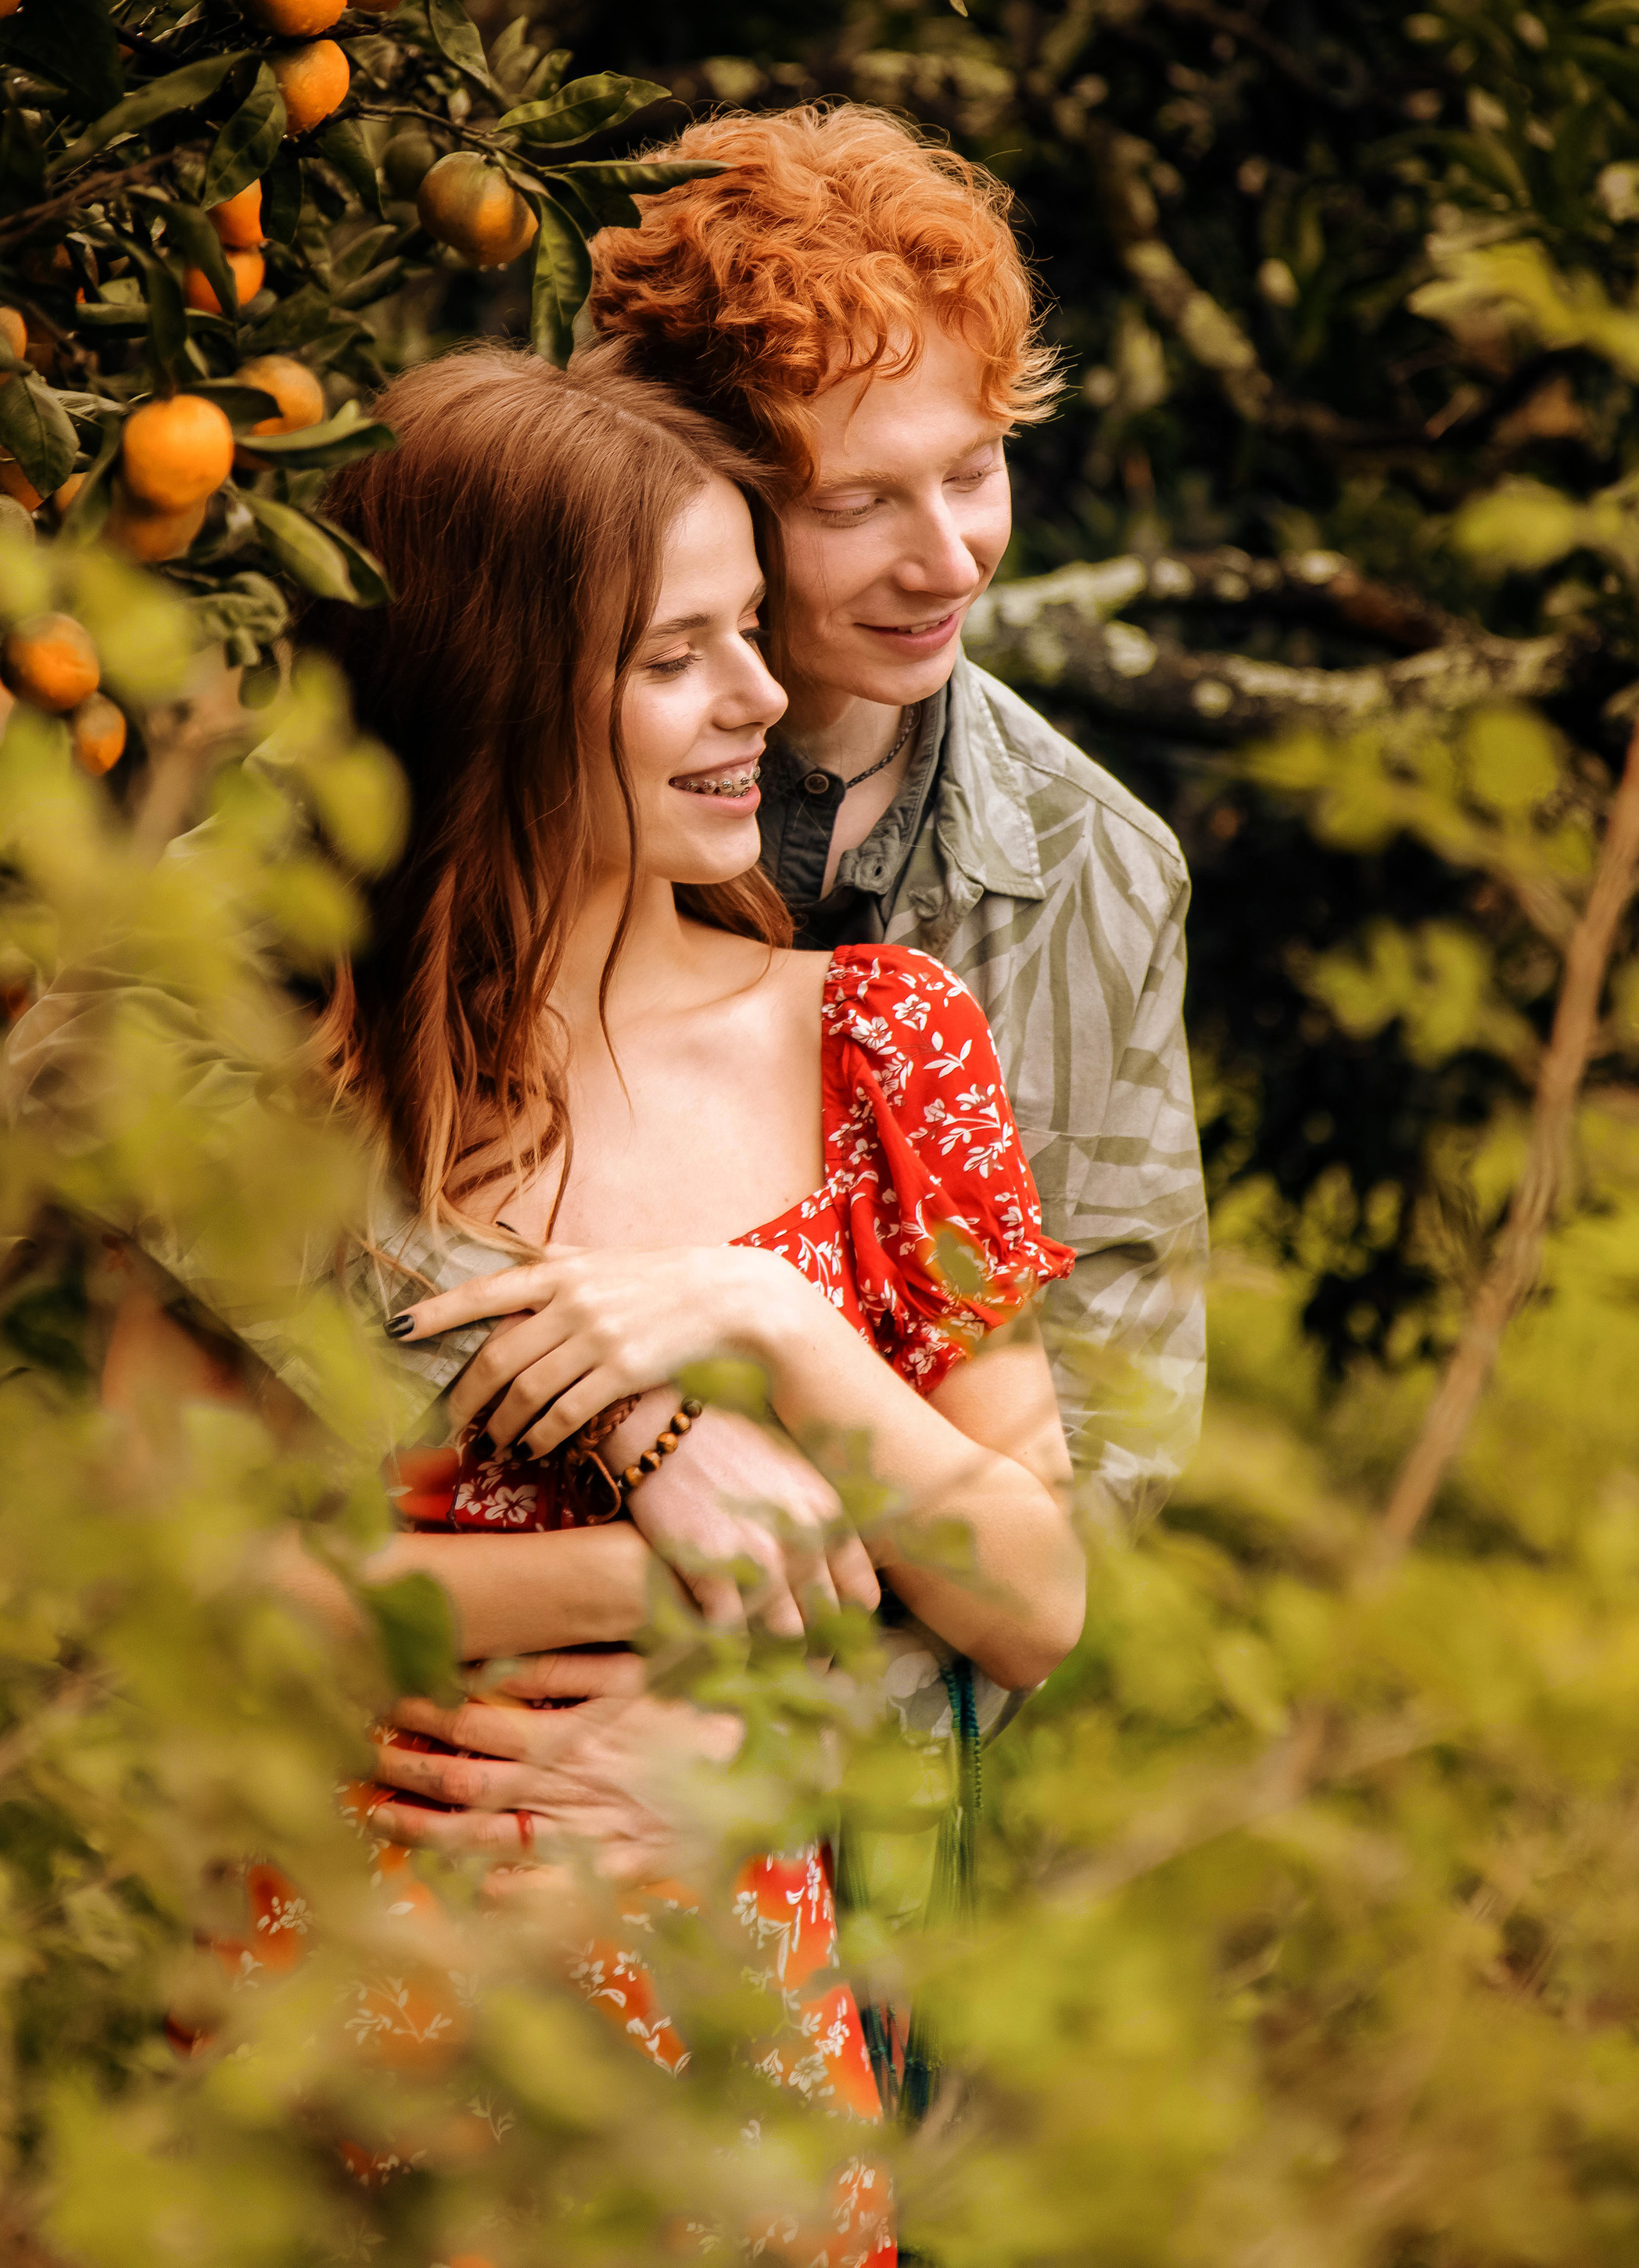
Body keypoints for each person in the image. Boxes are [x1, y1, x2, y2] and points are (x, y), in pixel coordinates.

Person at [292, 343, 1082, 2213]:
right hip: (337, 2069)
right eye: (671, 657)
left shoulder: (880, 1051)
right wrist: (669, 1580)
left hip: (739, 2111)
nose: (756, 695)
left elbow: (1036, 1597)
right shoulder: (273, 1101)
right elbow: (188, 1593)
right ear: (478, 695)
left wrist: (780, 1328)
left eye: (746, 629)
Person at [365, 102, 1207, 1840]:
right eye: (856, 504)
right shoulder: (424, 782)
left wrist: (768, 1739)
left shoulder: (1085, 877)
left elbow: (1096, 1475)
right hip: (422, 1790)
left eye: (971, 470)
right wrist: (652, 1436)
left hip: (846, 1831)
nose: (951, 555)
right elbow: (173, 1100)